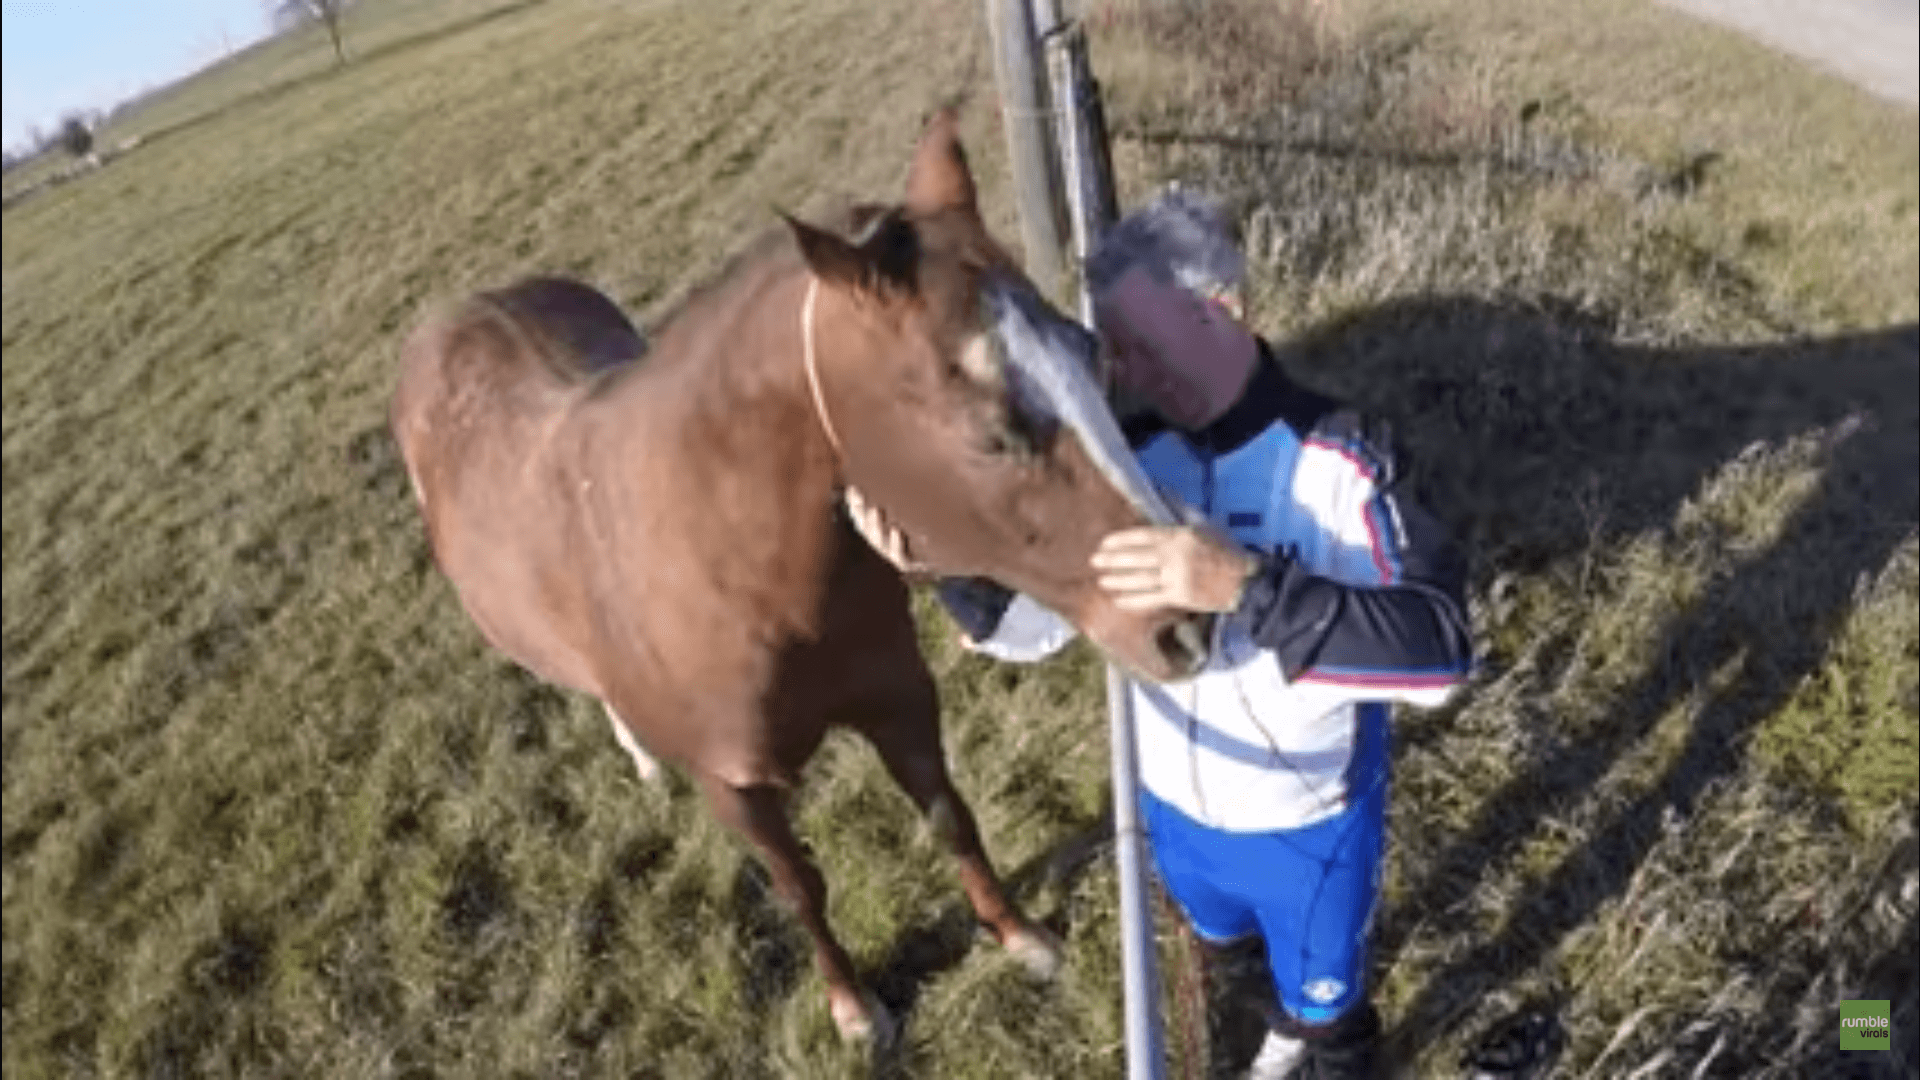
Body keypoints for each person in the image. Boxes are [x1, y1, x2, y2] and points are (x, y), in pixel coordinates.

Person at [850, 190, 1473, 1080]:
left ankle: (1322, 1039)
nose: (1126, 374)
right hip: (1175, 821)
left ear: (1224, 308)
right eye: (1113, 350)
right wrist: (943, 569)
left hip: (1307, 831)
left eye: (1143, 344)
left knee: (1336, 1028)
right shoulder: (1135, 461)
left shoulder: (1344, 458)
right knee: (1232, 962)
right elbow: (1035, 632)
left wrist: (1247, 587)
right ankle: (1278, 1024)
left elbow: (1441, 651)